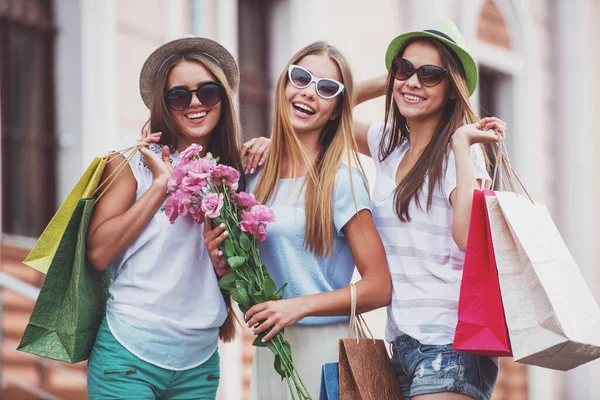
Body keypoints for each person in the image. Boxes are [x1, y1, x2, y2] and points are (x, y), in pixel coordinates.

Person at [205, 41, 392, 400]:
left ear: (338, 108)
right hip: (270, 352)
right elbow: (245, 277)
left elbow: (379, 286)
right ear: (284, 85)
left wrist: (298, 305)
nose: (309, 93)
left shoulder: (342, 180)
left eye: (327, 89)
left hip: (327, 353)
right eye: (301, 78)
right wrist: (219, 262)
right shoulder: (253, 175)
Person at [354, 20, 506, 400]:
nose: (413, 82)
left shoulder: (463, 153)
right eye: (405, 69)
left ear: (453, 89)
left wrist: (460, 143)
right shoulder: (390, 147)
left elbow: (469, 238)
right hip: (402, 345)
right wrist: (389, 79)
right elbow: (328, 110)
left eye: (430, 74)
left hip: (452, 344)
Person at [85, 37, 244, 399]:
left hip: (199, 364)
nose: (195, 104)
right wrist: (161, 183)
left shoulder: (234, 173)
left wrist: (223, 263)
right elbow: (99, 252)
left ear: (223, 97)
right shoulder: (130, 162)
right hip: (128, 357)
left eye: (207, 92)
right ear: (164, 104)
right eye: (179, 96)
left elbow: (245, 278)